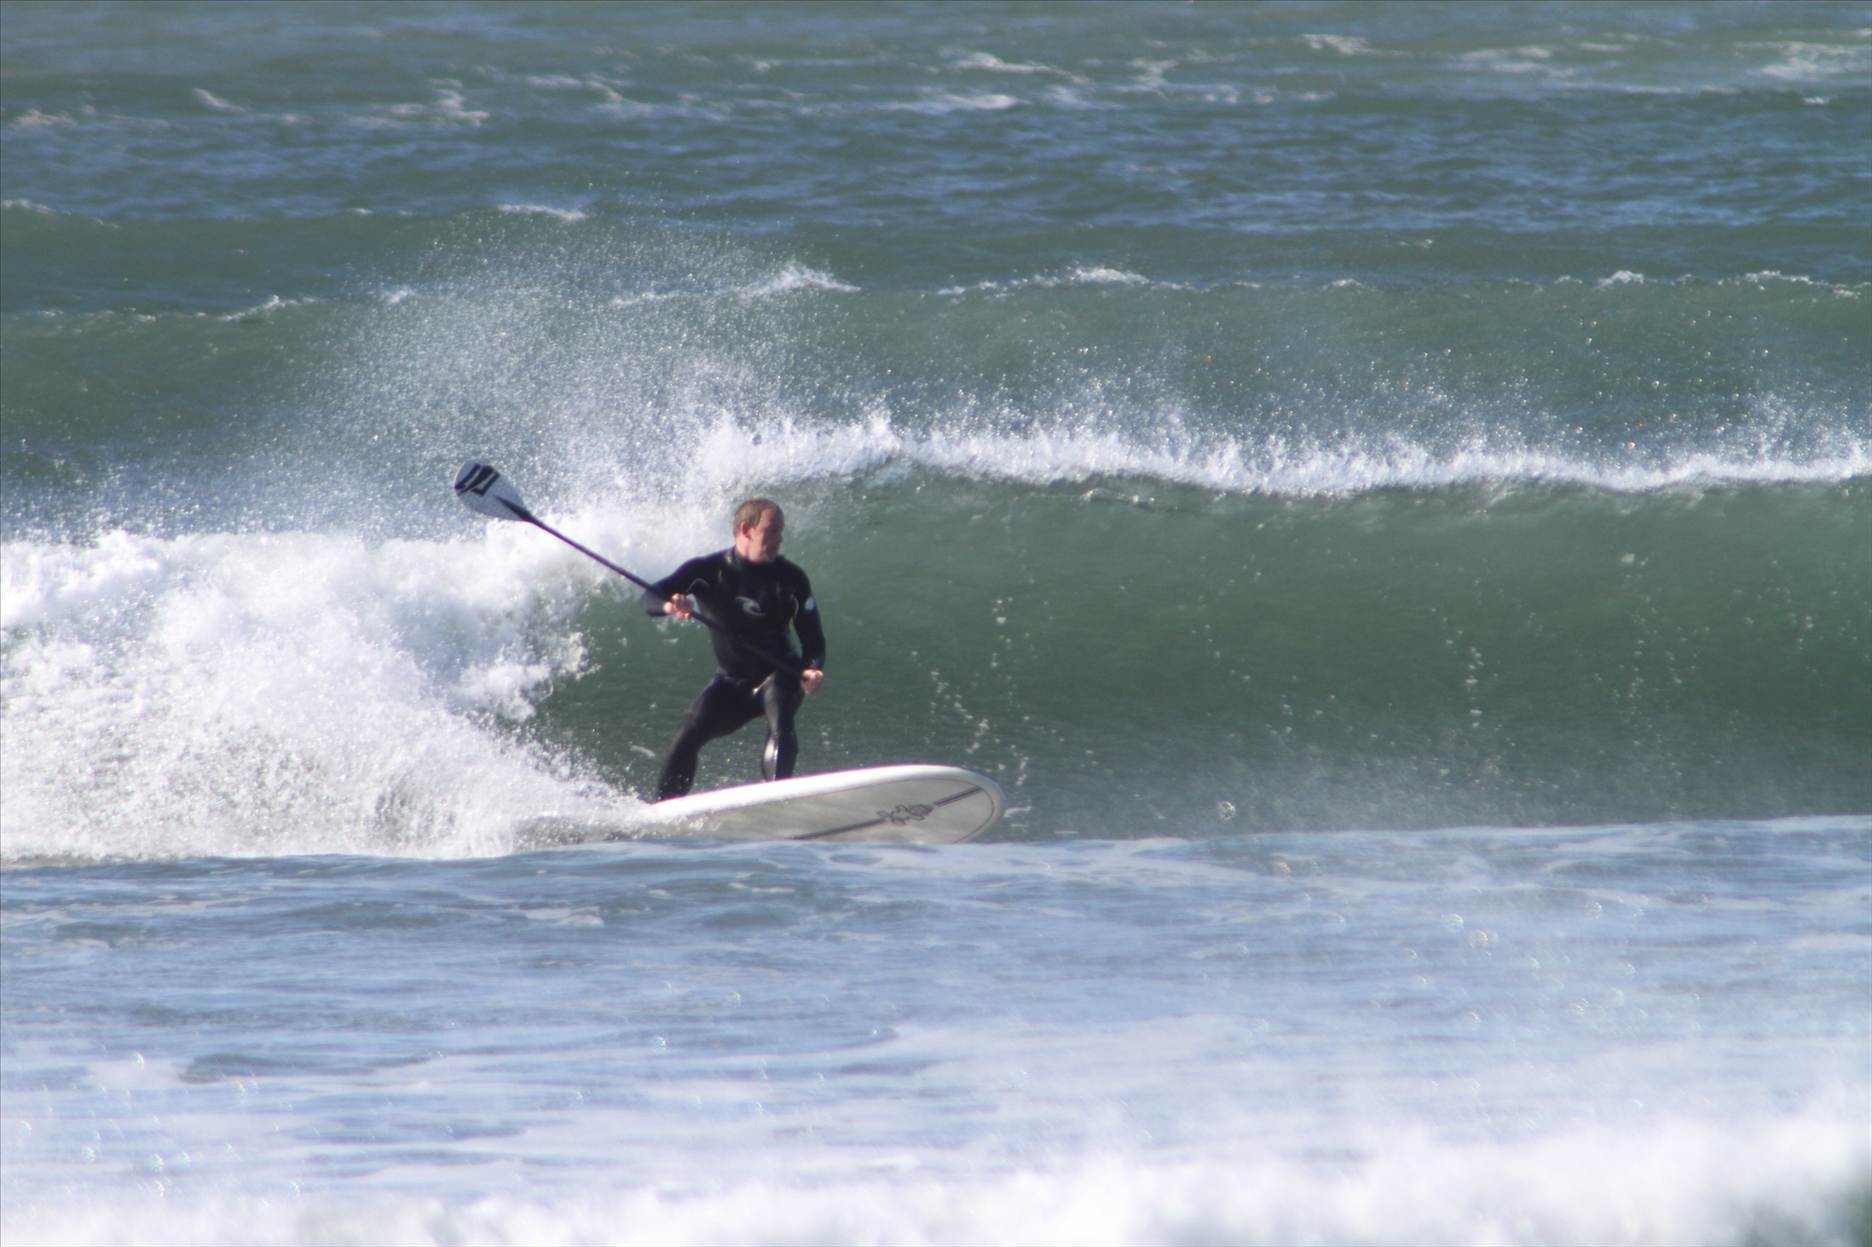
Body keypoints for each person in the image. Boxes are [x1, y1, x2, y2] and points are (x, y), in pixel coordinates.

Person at [642, 498, 826, 800]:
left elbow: (814, 641)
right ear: (746, 529)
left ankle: (775, 801)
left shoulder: (791, 578)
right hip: (731, 681)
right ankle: (665, 809)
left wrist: (813, 669)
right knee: (687, 734)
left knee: (781, 723)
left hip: (780, 674)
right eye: (772, 531)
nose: (779, 539)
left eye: (781, 532)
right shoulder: (708, 571)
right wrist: (670, 606)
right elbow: (649, 597)